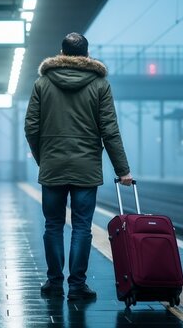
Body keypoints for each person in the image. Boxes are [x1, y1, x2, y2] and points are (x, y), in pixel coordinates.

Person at [24, 32, 133, 301]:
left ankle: (53, 282)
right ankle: (76, 286)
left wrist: (44, 158)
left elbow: (31, 127)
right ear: (86, 54)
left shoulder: (43, 83)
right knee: (82, 227)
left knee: (53, 225)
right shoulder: (100, 85)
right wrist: (123, 170)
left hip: (53, 167)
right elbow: (109, 130)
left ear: (61, 53)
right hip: (86, 169)